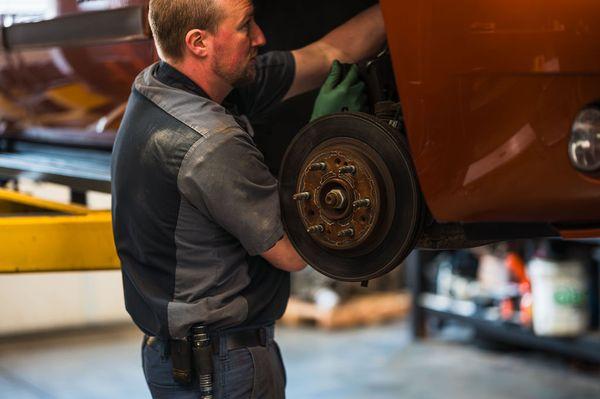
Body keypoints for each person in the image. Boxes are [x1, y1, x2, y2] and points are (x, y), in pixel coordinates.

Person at [111, 0, 385, 397]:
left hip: (186, 356)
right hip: (222, 367)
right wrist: (324, 140)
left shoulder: (157, 87)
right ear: (199, 42)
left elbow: (327, 54)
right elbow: (291, 252)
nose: (260, 36)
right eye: (245, 27)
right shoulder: (210, 143)